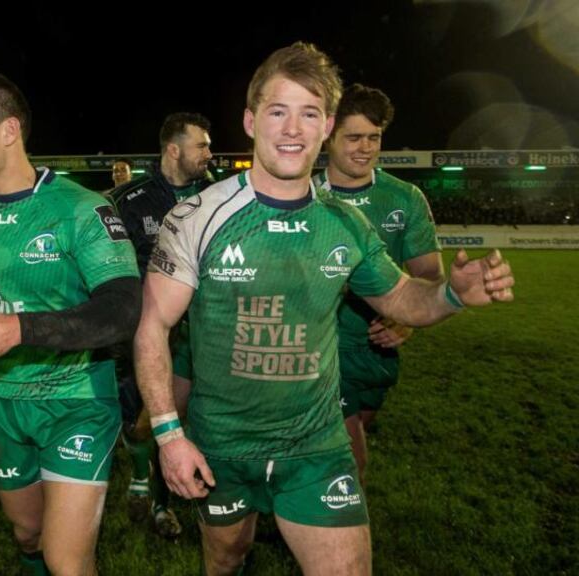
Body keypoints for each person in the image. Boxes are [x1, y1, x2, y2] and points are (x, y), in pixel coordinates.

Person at [133, 41, 514, 575]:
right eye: (278, 111)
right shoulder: (197, 217)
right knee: (225, 557)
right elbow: (153, 325)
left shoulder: (344, 223)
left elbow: (402, 296)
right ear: (250, 120)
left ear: (326, 125)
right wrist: (171, 436)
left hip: (315, 446)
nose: (292, 129)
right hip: (222, 445)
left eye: (308, 113)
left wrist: (452, 294)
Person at [0, 70, 140, 575]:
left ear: (9, 130)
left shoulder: (81, 208)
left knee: (67, 559)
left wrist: (15, 329)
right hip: (1, 403)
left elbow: (123, 308)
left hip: (78, 399)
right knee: (27, 533)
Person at [313, 83, 442, 482]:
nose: (365, 148)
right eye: (353, 137)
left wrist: (405, 321)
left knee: (344, 440)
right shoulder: (304, 196)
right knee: (350, 460)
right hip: (320, 351)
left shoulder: (405, 198)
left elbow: (430, 275)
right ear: (328, 135)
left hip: (375, 351)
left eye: (374, 137)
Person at [107, 112, 214, 538]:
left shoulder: (217, 197)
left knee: (170, 415)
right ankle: (138, 472)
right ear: (174, 149)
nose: (210, 153)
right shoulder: (127, 200)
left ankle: (162, 504)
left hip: (197, 333)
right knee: (139, 422)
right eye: (201, 145)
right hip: (141, 331)